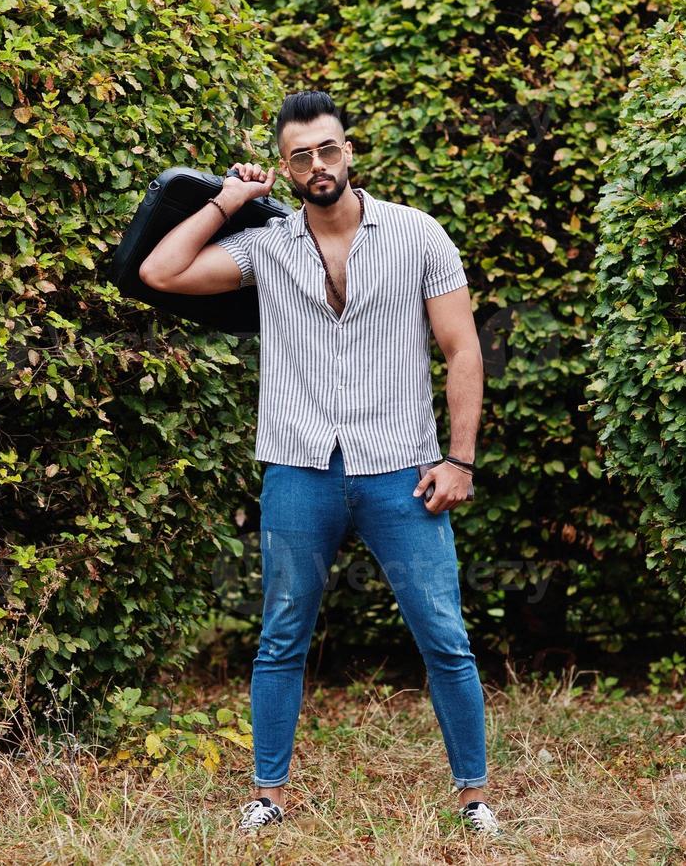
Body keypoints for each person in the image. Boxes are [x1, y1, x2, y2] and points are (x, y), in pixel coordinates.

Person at [138, 90, 498, 837]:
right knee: (281, 634)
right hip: (299, 468)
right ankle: (267, 792)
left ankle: (472, 797)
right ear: (286, 168)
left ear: (349, 151)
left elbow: (462, 348)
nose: (317, 165)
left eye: (327, 149)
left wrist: (458, 459)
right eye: (299, 156)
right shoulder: (267, 247)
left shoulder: (417, 234)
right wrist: (228, 200)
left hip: (403, 469)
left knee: (442, 634)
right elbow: (161, 274)